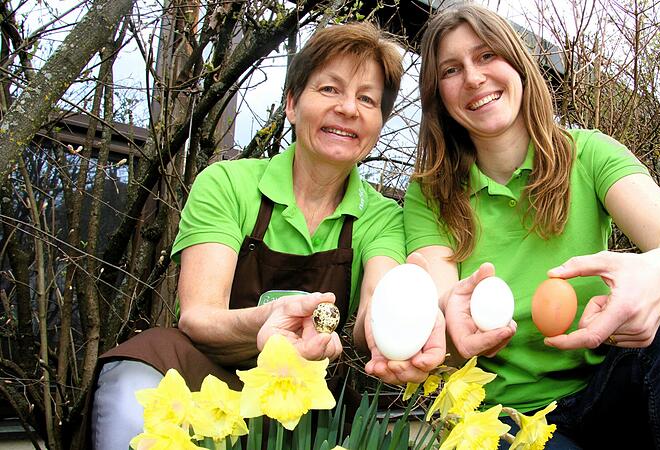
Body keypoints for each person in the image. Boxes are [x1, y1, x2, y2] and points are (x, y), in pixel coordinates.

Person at [402, 4, 660, 449]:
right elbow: (442, 300)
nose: (473, 78)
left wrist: (653, 276)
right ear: (438, 96)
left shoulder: (589, 154)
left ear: (519, 64)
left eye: (487, 55)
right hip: (511, 420)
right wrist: (452, 327)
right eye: (451, 70)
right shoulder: (431, 194)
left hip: (609, 388)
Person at [90, 22, 444, 450]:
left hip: (302, 402)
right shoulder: (227, 184)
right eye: (329, 89)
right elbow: (199, 316)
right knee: (133, 375)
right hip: (207, 383)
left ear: (378, 124)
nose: (348, 108)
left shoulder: (382, 216)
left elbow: (374, 305)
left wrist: (401, 325)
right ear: (292, 104)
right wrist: (266, 321)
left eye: (367, 99)